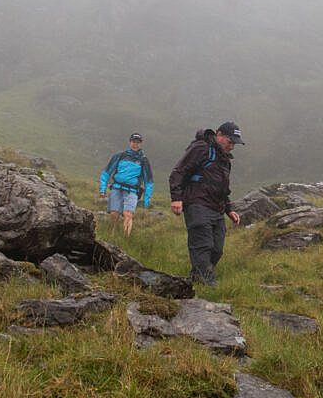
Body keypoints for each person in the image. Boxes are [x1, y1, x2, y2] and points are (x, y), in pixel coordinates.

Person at [168, 122, 243, 286]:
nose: (232, 146)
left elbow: (223, 188)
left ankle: (196, 279)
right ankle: (207, 285)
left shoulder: (225, 161)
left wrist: (229, 210)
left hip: (217, 209)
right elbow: (178, 172)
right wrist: (176, 198)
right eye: (230, 141)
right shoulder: (201, 148)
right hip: (197, 204)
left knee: (217, 248)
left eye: (234, 143)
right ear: (219, 135)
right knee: (203, 245)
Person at [99, 132, 154, 236]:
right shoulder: (120, 156)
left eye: (138, 142)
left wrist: (146, 201)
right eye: (134, 141)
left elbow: (149, 181)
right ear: (130, 142)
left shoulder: (143, 160)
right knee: (114, 214)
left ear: (141, 143)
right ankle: (111, 236)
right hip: (117, 188)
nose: (135, 144)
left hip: (132, 191)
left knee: (128, 214)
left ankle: (125, 238)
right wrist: (102, 189)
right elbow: (106, 172)